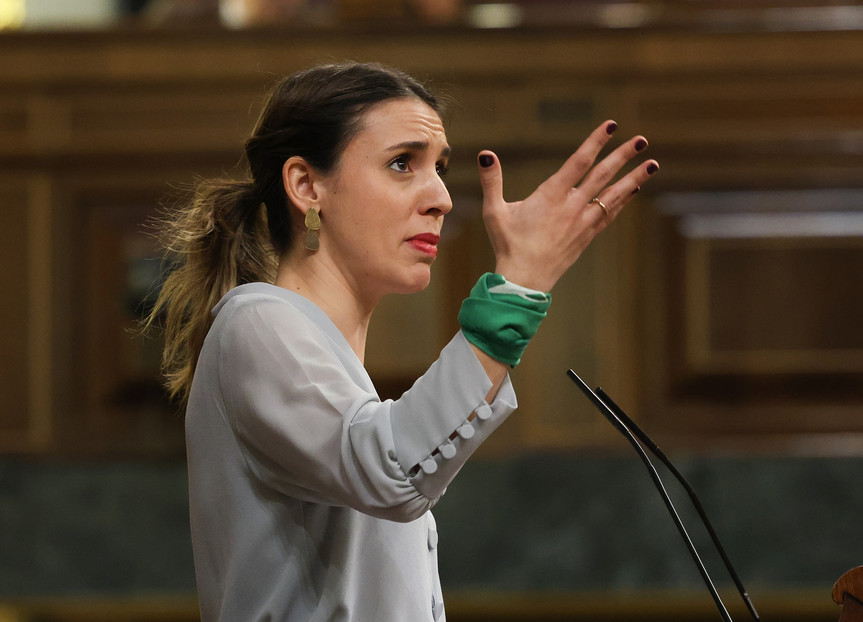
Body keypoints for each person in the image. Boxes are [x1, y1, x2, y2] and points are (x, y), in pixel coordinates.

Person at [146, 61, 658, 621]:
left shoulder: (321, 357)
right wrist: (515, 292)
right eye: (402, 163)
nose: (441, 197)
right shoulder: (254, 322)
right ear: (307, 186)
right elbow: (392, 471)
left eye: (439, 168)